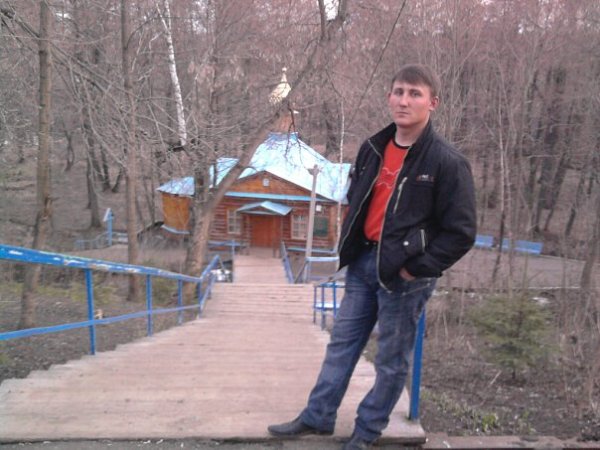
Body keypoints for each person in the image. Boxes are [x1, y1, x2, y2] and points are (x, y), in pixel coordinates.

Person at [268, 64, 477, 449]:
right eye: (398, 92)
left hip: (404, 277)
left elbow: (461, 232)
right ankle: (318, 416)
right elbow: (356, 199)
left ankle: (366, 431)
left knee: (391, 361)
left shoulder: (447, 162)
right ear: (389, 97)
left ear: (432, 103)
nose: (404, 101)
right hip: (363, 263)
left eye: (414, 94)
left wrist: (417, 268)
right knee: (341, 345)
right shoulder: (373, 148)